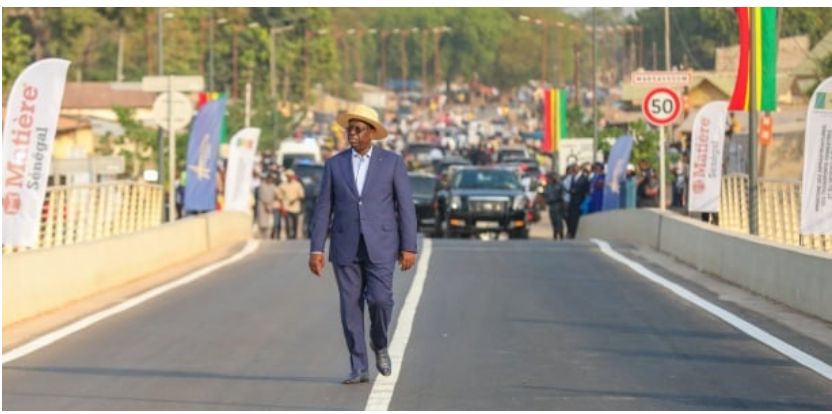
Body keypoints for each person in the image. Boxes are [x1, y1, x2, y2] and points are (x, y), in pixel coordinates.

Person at [308, 104, 418, 385]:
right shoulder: (335, 164)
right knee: (350, 307)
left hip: (382, 244)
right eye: (349, 130)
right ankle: (358, 366)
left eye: (358, 130)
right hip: (345, 246)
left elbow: (405, 206)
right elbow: (324, 208)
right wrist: (317, 249)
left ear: (371, 132)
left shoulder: (391, 163)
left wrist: (409, 246)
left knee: (380, 300)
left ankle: (379, 342)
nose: (352, 135)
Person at [280, 169, 305, 240]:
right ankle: (288, 234)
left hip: (295, 206)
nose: (289, 177)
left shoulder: (297, 185)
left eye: (290, 176)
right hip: (286, 206)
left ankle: (294, 234)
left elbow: (301, 195)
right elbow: (279, 195)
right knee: (287, 222)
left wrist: (295, 199)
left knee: (295, 222)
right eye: (288, 176)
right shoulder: (283, 185)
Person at [543, 171, 566, 240]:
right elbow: (546, 194)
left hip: (558, 204)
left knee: (558, 220)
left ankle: (560, 233)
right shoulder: (548, 186)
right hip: (551, 204)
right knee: (553, 219)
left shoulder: (559, 185)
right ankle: (555, 232)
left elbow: (563, 193)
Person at [255, 174, 276, 239]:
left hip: (270, 205)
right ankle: (261, 235)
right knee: (262, 221)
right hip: (262, 205)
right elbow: (262, 196)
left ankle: (267, 236)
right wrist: (266, 206)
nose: (270, 180)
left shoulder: (273, 186)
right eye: (269, 179)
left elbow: (274, 195)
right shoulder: (262, 186)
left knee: (269, 222)